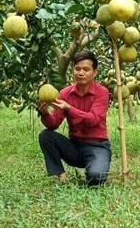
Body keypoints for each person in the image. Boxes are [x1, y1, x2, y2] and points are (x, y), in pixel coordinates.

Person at [38, 51, 111, 186]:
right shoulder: (65, 93)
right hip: (75, 147)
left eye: (86, 69)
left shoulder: (102, 92)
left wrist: (69, 109)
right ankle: (60, 174)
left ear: (95, 72)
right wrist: (45, 114)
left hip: (97, 146)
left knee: (96, 178)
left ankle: (95, 168)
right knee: (46, 136)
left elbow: (93, 119)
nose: (81, 73)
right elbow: (54, 123)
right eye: (77, 69)